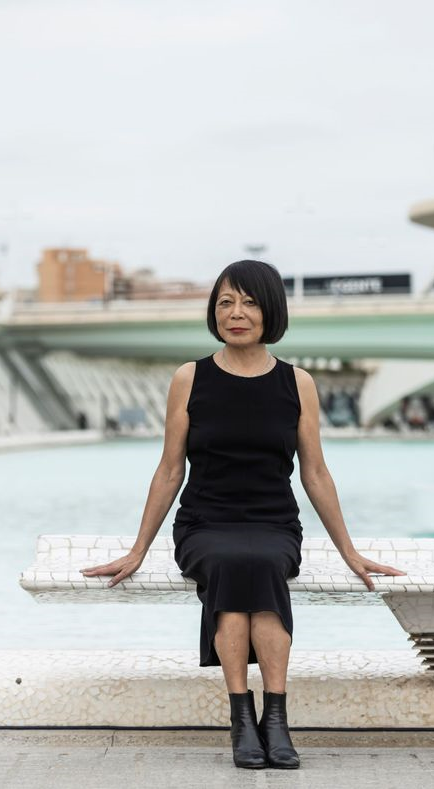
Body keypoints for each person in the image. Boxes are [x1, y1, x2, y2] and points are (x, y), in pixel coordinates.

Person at [81, 259, 404, 770]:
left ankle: (273, 718)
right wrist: (138, 549)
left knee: (261, 562)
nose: (236, 313)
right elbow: (169, 470)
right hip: (205, 522)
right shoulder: (190, 378)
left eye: (250, 302)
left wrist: (350, 552)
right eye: (226, 302)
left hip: (273, 522)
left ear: (269, 311)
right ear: (214, 311)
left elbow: (315, 473)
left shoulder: (297, 383)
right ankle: (242, 717)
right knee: (233, 563)